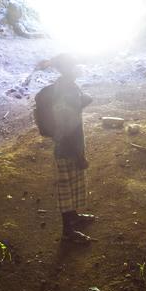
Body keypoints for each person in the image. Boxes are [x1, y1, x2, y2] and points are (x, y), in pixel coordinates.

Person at [34, 54, 97, 243]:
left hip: (69, 146)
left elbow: (81, 101)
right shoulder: (66, 90)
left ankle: (73, 218)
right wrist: (79, 155)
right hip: (66, 148)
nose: (77, 68)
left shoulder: (65, 85)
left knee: (73, 185)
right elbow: (67, 128)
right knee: (66, 190)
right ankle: (67, 232)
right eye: (74, 65)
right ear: (68, 69)